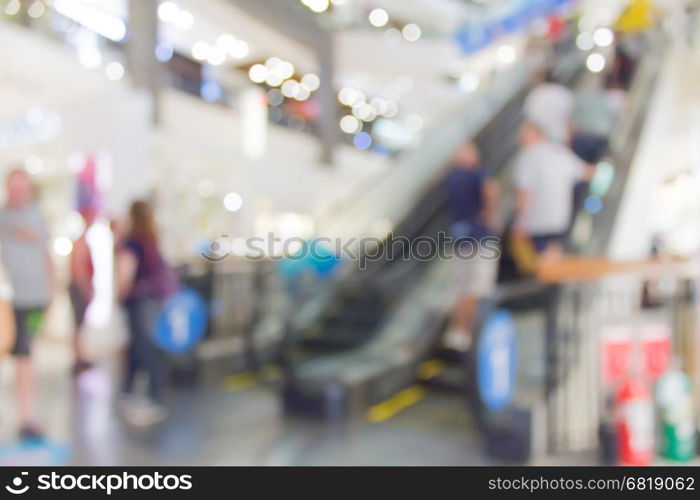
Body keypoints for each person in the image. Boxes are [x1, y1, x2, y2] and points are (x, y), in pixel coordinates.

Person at [0, 168, 52, 439]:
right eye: (14, 186)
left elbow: (46, 255)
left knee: (26, 355)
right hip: (7, 302)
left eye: (23, 187)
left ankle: (27, 416)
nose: (19, 192)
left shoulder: (37, 217)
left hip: (34, 301)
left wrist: (50, 292)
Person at [116, 200, 177, 426]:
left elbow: (126, 272)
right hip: (152, 300)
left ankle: (152, 399)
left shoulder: (133, 242)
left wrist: (118, 295)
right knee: (141, 348)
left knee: (146, 349)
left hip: (138, 301)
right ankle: (134, 394)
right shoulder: (151, 239)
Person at [443, 142, 499, 352]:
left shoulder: (451, 178)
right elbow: (490, 189)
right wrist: (490, 214)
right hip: (478, 238)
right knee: (476, 288)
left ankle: (458, 332)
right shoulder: (478, 173)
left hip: (460, 238)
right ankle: (469, 332)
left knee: (463, 288)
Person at [513, 123, 589, 255]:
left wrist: (520, 222)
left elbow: (524, 192)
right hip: (560, 218)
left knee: (542, 259)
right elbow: (587, 172)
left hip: (536, 221)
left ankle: (551, 273)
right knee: (554, 253)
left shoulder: (527, 156)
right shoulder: (560, 152)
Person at [69, 207, 96, 375]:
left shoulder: (84, 241)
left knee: (81, 325)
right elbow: (78, 270)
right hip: (78, 288)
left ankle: (80, 355)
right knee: (78, 325)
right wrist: (86, 289)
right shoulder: (80, 243)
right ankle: (78, 358)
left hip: (80, 287)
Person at [523, 69, 574, 144]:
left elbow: (531, 122)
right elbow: (569, 121)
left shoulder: (536, 94)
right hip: (561, 139)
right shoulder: (564, 93)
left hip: (541, 140)